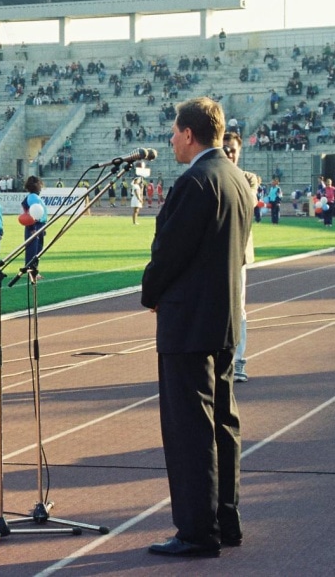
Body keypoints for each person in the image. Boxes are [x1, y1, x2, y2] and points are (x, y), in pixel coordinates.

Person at [141, 96, 252, 557]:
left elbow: (169, 251)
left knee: (190, 428)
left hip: (188, 323)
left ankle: (196, 530)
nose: (170, 141)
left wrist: (151, 293)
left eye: (173, 133)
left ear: (189, 134)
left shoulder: (196, 181)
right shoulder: (237, 179)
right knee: (223, 421)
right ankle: (225, 519)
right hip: (223, 319)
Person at [222, 133, 259, 384]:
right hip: (215, 254)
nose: (228, 153)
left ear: (239, 151)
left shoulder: (249, 179)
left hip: (239, 256)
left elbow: (249, 201)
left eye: (233, 149)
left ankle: (239, 361)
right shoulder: (211, 176)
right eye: (224, 149)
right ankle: (220, 360)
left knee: (239, 309)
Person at [21, 176, 48, 277]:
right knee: (33, 249)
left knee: (38, 249)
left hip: (40, 225)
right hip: (34, 226)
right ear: (36, 185)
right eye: (40, 184)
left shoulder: (34, 197)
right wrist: (32, 228)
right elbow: (30, 212)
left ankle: (34, 270)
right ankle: (31, 270)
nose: (41, 187)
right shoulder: (32, 197)